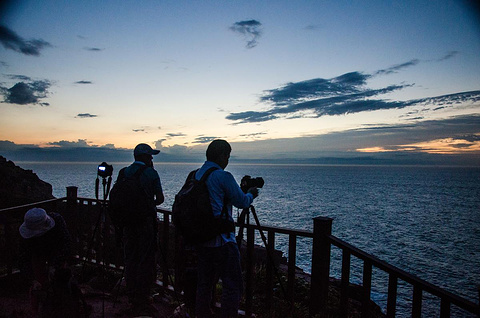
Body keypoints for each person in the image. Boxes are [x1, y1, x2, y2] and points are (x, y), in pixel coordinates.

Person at [195, 139, 259, 318]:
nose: (228, 160)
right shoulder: (223, 176)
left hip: (202, 238)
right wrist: (251, 193)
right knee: (232, 286)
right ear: (223, 156)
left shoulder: (198, 174)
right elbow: (242, 202)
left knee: (204, 285)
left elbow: (216, 199)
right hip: (222, 241)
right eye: (228, 156)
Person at [119, 143, 164, 316]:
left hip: (127, 222)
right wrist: (147, 205)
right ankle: (143, 298)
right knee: (146, 259)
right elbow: (160, 199)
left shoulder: (124, 172)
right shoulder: (151, 174)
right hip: (145, 223)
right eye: (150, 156)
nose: (152, 159)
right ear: (145, 157)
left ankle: (132, 296)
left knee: (130, 258)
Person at [18, 207, 71, 315]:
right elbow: (23, 259)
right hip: (38, 252)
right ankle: (36, 312)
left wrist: (55, 265)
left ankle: (63, 307)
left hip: (56, 250)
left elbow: (66, 244)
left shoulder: (58, 221)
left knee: (61, 278)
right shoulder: (27, 238)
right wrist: (32, 279)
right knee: (38, 284)